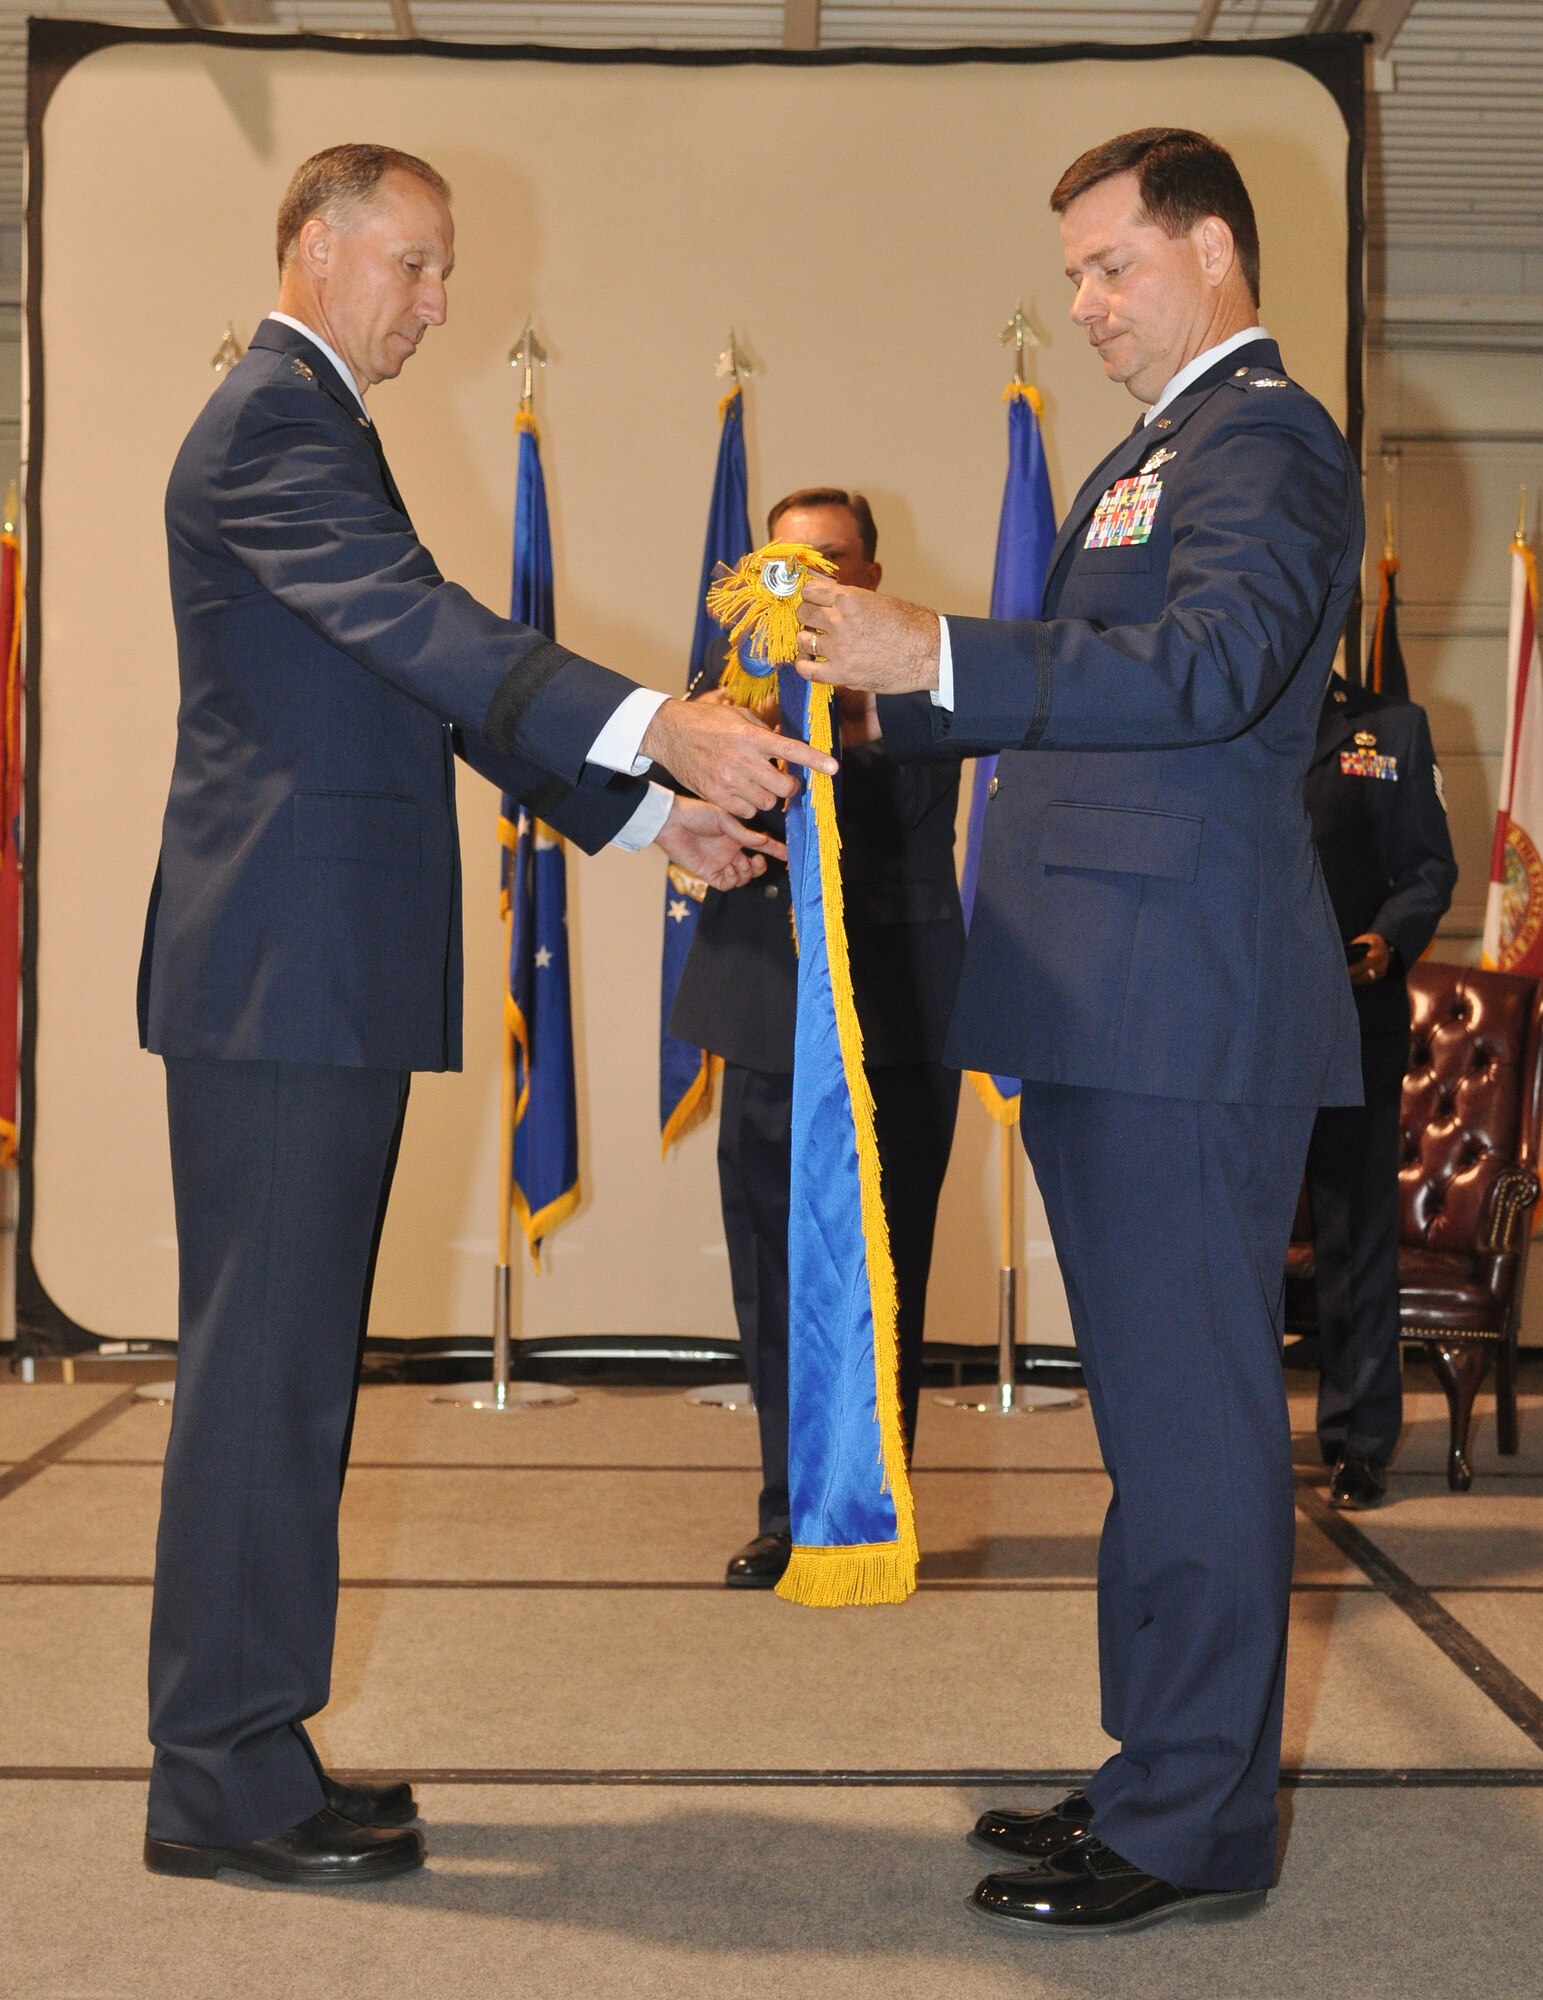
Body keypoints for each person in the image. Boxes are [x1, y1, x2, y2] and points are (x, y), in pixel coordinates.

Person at [137, 143, 835, 1889]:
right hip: (285, 972)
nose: (439, 304)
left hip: (309, 969)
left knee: (292, 1373)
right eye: (416, 264)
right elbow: (422, 630)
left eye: (444, 272)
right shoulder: (269, 422)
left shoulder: (310, 426)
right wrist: (658, 727)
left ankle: (249, 1747)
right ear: (314, 246)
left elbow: (415, 681)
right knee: (264, 1380)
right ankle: (219, 1773)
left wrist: (632, 813)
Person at [796, 128, 1363, 1934]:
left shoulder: (1264, 442)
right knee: (1153, 1422)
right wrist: (852, 715)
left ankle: (1192, 1823)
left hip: (1180, 1009)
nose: (1088, 306)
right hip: (1106, 997)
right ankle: (1152, 1772)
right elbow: (1092, 708)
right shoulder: (1159, 449)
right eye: (1076, 278)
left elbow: (1201, 676)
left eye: (1111, 267)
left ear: (1207, 250)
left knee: (1194, 1429)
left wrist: (936, 654)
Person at [669, 489, 964, 1589]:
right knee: (771, 1276)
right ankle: (784, 1508)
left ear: (869, 576)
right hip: (762, 1014)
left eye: (828, 563)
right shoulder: (733, 690)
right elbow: (674, 792)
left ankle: (871, 1500)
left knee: (886, 1275)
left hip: (893, 1019)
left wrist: (839, 692)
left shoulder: (920, 676)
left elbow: (915, 791)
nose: (806, 584)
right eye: (783, 565)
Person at [1302, 674, 1457, 1508]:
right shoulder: (1218, 701)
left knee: (1355, 1231)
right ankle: (1236, 1435)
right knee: (1230, 1236)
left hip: (1352, 1014)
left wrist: (1388, 937)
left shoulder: (1388, 727)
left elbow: (1429, 867)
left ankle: (1358, 1440)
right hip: (1232, 1022)